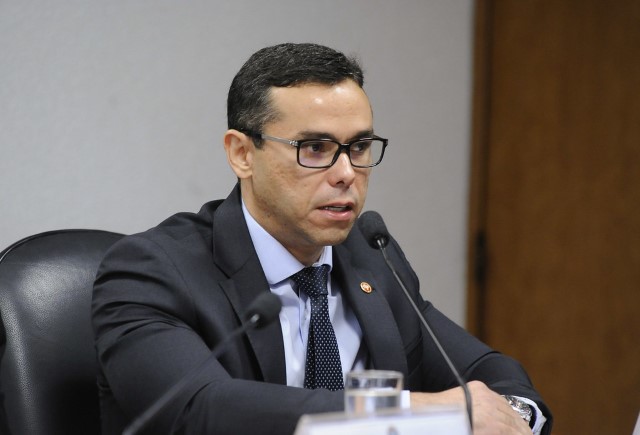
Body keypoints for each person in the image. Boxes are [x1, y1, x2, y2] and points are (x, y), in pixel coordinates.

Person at [92, 42, 552, 435]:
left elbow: (485, 372)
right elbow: (201, 408)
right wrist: (407, 412)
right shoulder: (151, 271)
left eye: (359, 147)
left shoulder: (371, 258)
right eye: (315, 148)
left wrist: (512, 416)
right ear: (242, 154)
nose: (347, 173)